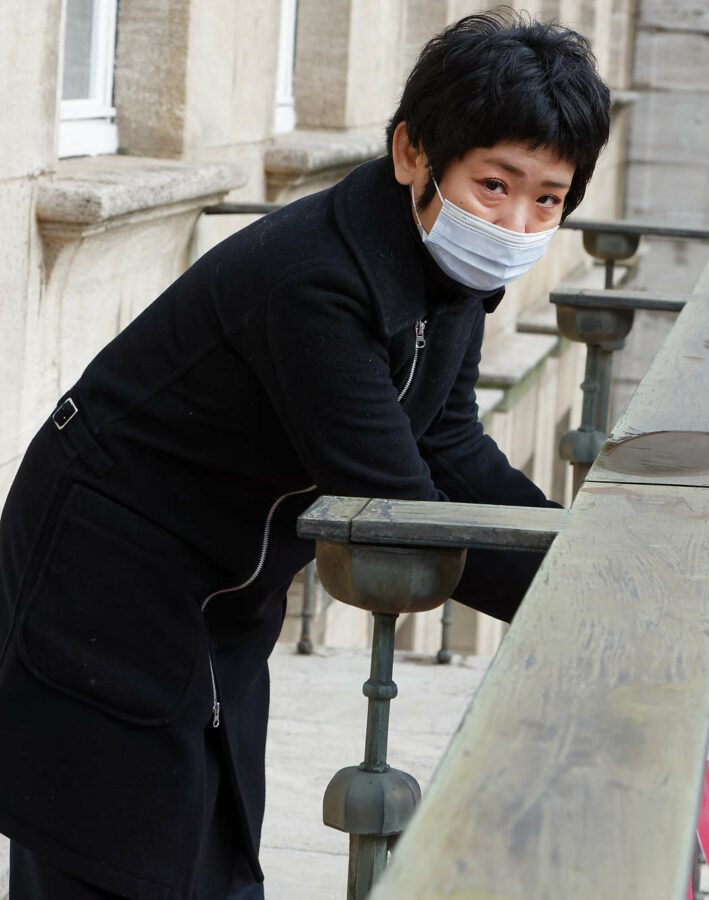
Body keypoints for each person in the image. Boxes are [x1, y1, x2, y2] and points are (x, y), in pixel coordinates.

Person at [0, 10, 610, 898]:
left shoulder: (449, 274)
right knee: (113, 866)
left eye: (548, 199)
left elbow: (449, 443)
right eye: (494, 184)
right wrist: (577, 605)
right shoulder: (314, 280)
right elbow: (397, 506)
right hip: (107, 576)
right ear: (413, 152)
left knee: (212, 862)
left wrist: (583, 553)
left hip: (220, 591)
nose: (517, 222)